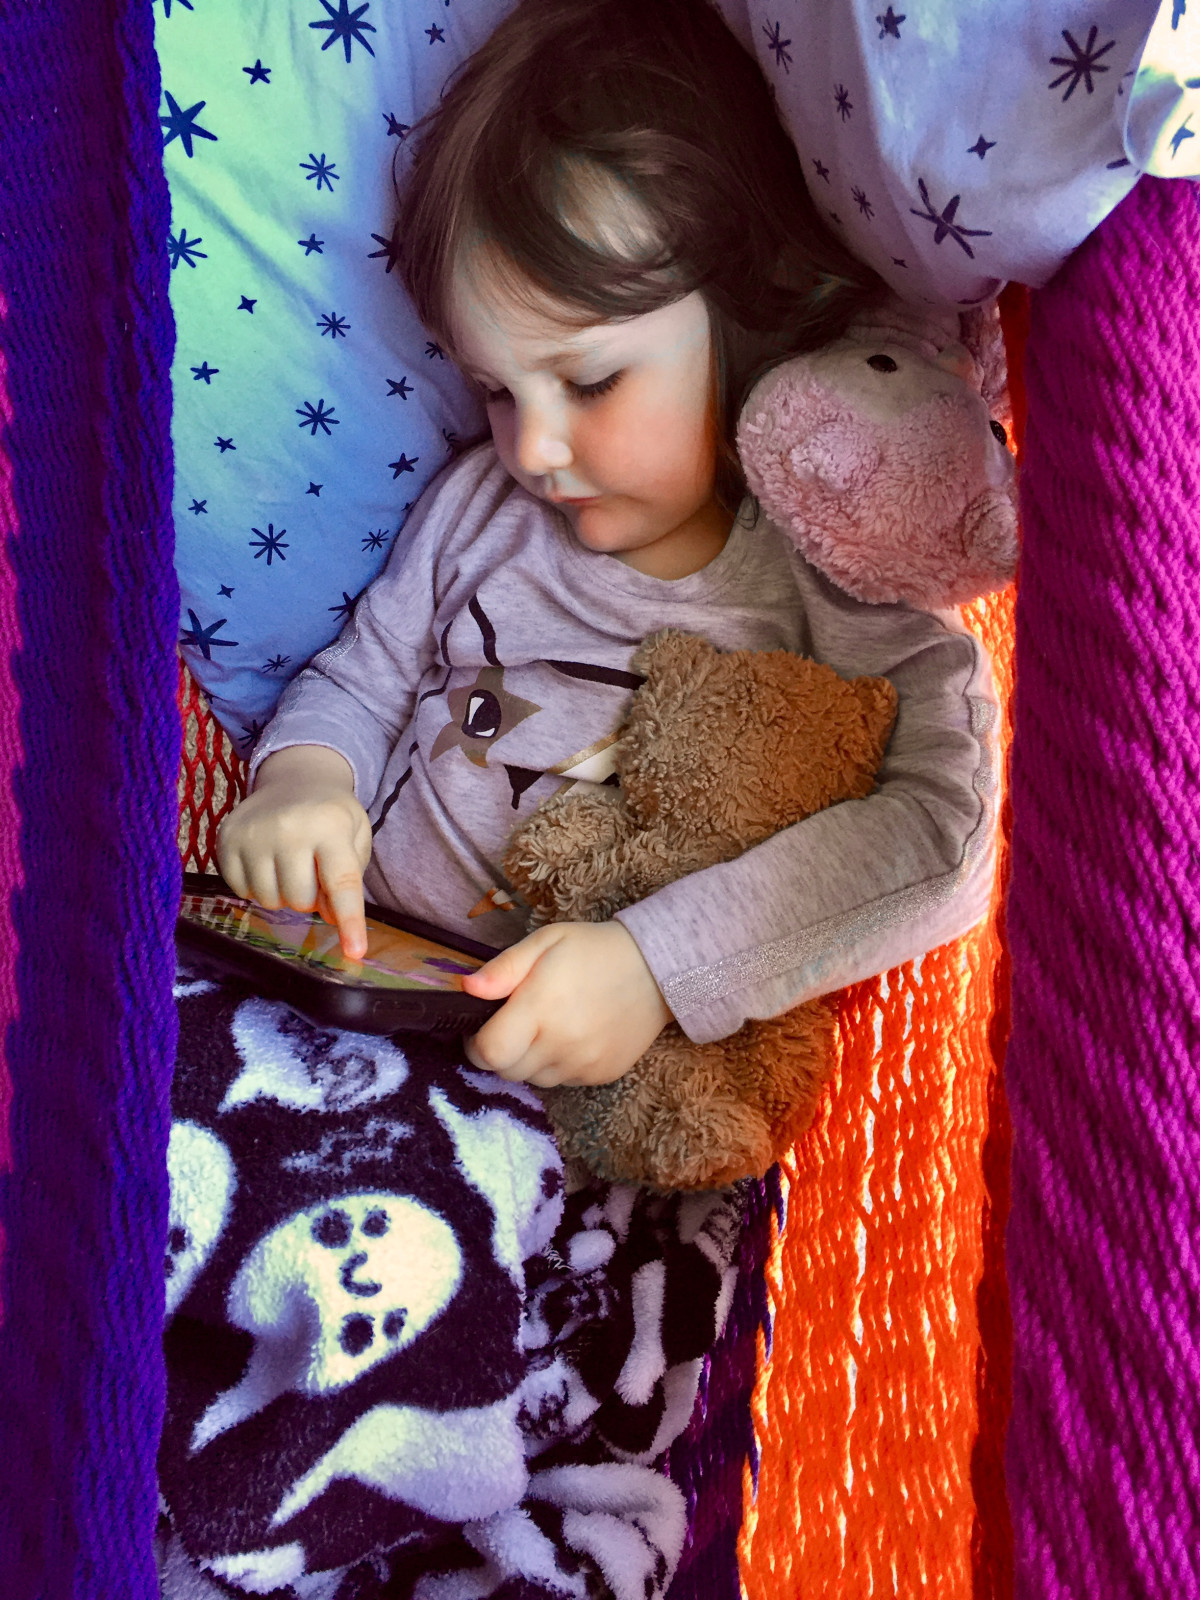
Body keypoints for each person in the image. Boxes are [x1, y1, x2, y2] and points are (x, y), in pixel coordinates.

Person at [160, 0, 1001, 1594]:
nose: (536, 446)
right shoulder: (482, 508)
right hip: (351, 1015)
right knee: (152, 1102)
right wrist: (307, 776)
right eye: (495, 389)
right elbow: (358, 675)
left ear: (745, 314)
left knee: (493, 1317)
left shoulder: (821, 582)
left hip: (593, 1130)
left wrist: (656, 967)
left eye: (590, 379)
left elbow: (945, 836)